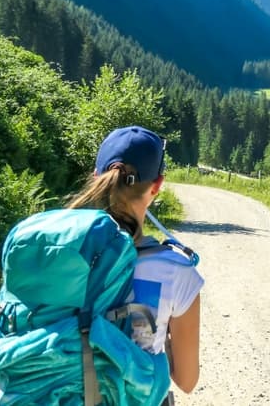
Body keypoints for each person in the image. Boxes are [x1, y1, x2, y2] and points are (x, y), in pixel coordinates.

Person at [66, 125, 203, 397]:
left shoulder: (61, 251)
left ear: (96, 177)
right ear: (157, 186)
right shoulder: (177, 272)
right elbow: (186, 381)